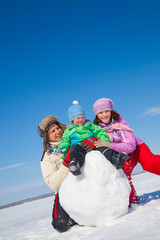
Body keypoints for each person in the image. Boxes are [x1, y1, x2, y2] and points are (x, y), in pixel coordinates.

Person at [93, 97, 160, 204]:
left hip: (137, 148)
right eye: (100, 112)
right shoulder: (97, 129)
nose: (104, 115)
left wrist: (110, 145)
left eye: (106, 111)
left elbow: (131, 145)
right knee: (122, 174)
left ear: (111, 111)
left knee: (150, 164)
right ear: (97, 115)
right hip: (123, 155)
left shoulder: (120, 122)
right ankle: (132, 201)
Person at [58, 100, 127, 175]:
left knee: (102, 148)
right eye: (77, 118)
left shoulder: (89, 125)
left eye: (82, 117)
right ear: (72, 120)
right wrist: (63, 147)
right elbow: (65, 140)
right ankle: (75, 163)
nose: (80, 120)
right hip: (78, 146)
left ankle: (115, 157)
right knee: (76, 150)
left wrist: (104, 141)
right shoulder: (69, 129)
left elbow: (99, 132)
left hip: (92, 145)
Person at [37, 115, 77, 232]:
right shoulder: (47, 157)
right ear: (47, 138)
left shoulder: (73, 139)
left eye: (57, 128)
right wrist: (67, 164)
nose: (57, 132)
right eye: (52, 131)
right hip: (64, 190)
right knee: (61, 224)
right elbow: (53, 184)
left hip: (84, 180)